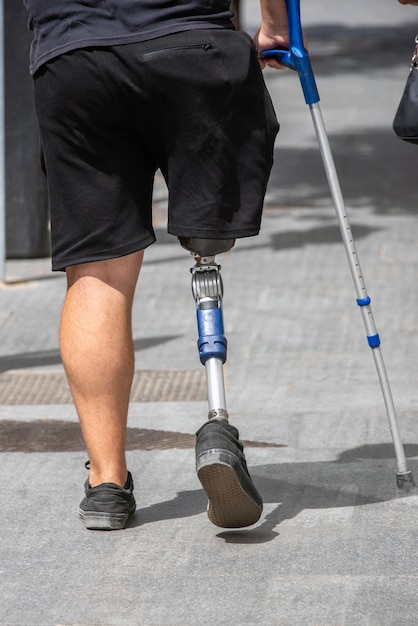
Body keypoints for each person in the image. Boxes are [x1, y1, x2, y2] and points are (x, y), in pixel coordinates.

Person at [23, 0, 289, 531]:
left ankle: (106, 482)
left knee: (98, 272)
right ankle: (217, 422)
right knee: (207, 239)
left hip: (76, 56)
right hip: (190, 44)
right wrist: (275, 28)